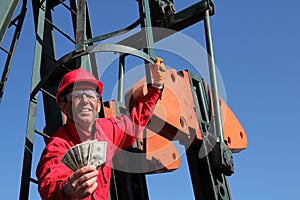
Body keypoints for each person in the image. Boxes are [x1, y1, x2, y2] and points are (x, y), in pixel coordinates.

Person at [36, 57, 166, 200]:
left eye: (91, 95)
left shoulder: (109, 130)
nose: (85, 101)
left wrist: (156, 86)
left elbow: (136, 120)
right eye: (76, 95)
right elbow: (50, 185)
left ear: (98, 105)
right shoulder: (57, 147)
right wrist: (66, 192)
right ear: (64, 106)